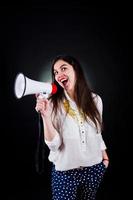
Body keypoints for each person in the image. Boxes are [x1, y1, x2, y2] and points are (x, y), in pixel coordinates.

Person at [35, 55, 109, 200]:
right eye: (55, 72)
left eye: (63, 69)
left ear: (76, 70)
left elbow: (97, 132)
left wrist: (104, 159)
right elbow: (54, 146)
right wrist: (46, 116)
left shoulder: (96, 100)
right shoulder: (52, 103)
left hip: (94, 169)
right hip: (65, 174)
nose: (59, 75)